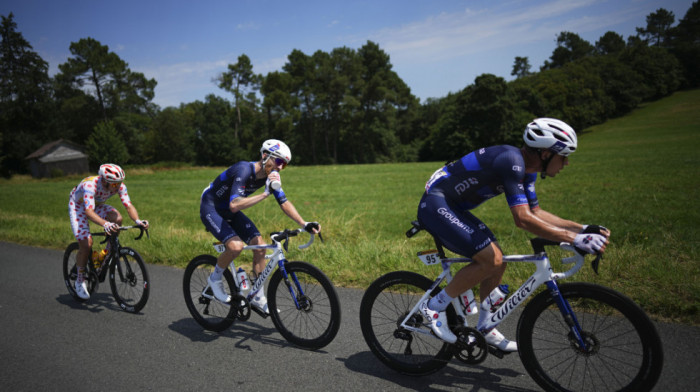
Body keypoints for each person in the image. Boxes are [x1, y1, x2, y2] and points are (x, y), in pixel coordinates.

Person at [416, 118, 610, 351]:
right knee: (492, 259)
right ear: (546, 154)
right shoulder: (511, 161)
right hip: (436, 203)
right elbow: (523, 219)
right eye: (564, 156)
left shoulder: (528, 171)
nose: (566, 163)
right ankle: (434, 306)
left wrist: (581, 228)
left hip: (453, 206)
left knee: (498, 263)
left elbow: (536, 212)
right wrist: (574, 239)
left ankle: (485, 327)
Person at [200, 139, 321, 313]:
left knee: (261, 247)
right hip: (211, 207)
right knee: (236, 247)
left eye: (284, 165)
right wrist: (265, 193)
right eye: (278, 162)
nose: (280, 168)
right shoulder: (244, 169)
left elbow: (284, 202)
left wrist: (304, 223)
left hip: (229, 211)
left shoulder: (271, 176)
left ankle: (257, 296)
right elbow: (234, 204)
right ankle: (215, 278)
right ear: (265, 156)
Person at [68, 163, 149, 300]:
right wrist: (105, 224)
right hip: (79, 207)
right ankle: (80, 280)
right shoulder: (90, 185)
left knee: (117, 219)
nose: (117, 187)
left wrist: (138, 221)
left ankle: (108, 253)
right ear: (104, 180)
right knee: (86, 244)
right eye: (113, 184)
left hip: (96, 206)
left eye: (119, 183)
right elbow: (88, 212)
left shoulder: (119, 186)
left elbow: (128, 206)